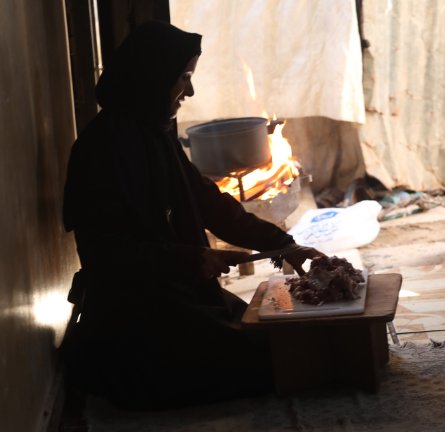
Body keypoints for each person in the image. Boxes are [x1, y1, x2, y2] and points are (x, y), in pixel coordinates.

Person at [60, 21, 319, 411]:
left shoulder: (154, 133)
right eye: (184, 77)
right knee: (270, 363)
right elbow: (107, 255)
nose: (190, 90)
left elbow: (209, 204)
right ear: (152, 77)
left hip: (177, 295)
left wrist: (284, 244)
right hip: (134, 317)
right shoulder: (102, 149)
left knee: (282, 337)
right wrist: (193, 258)